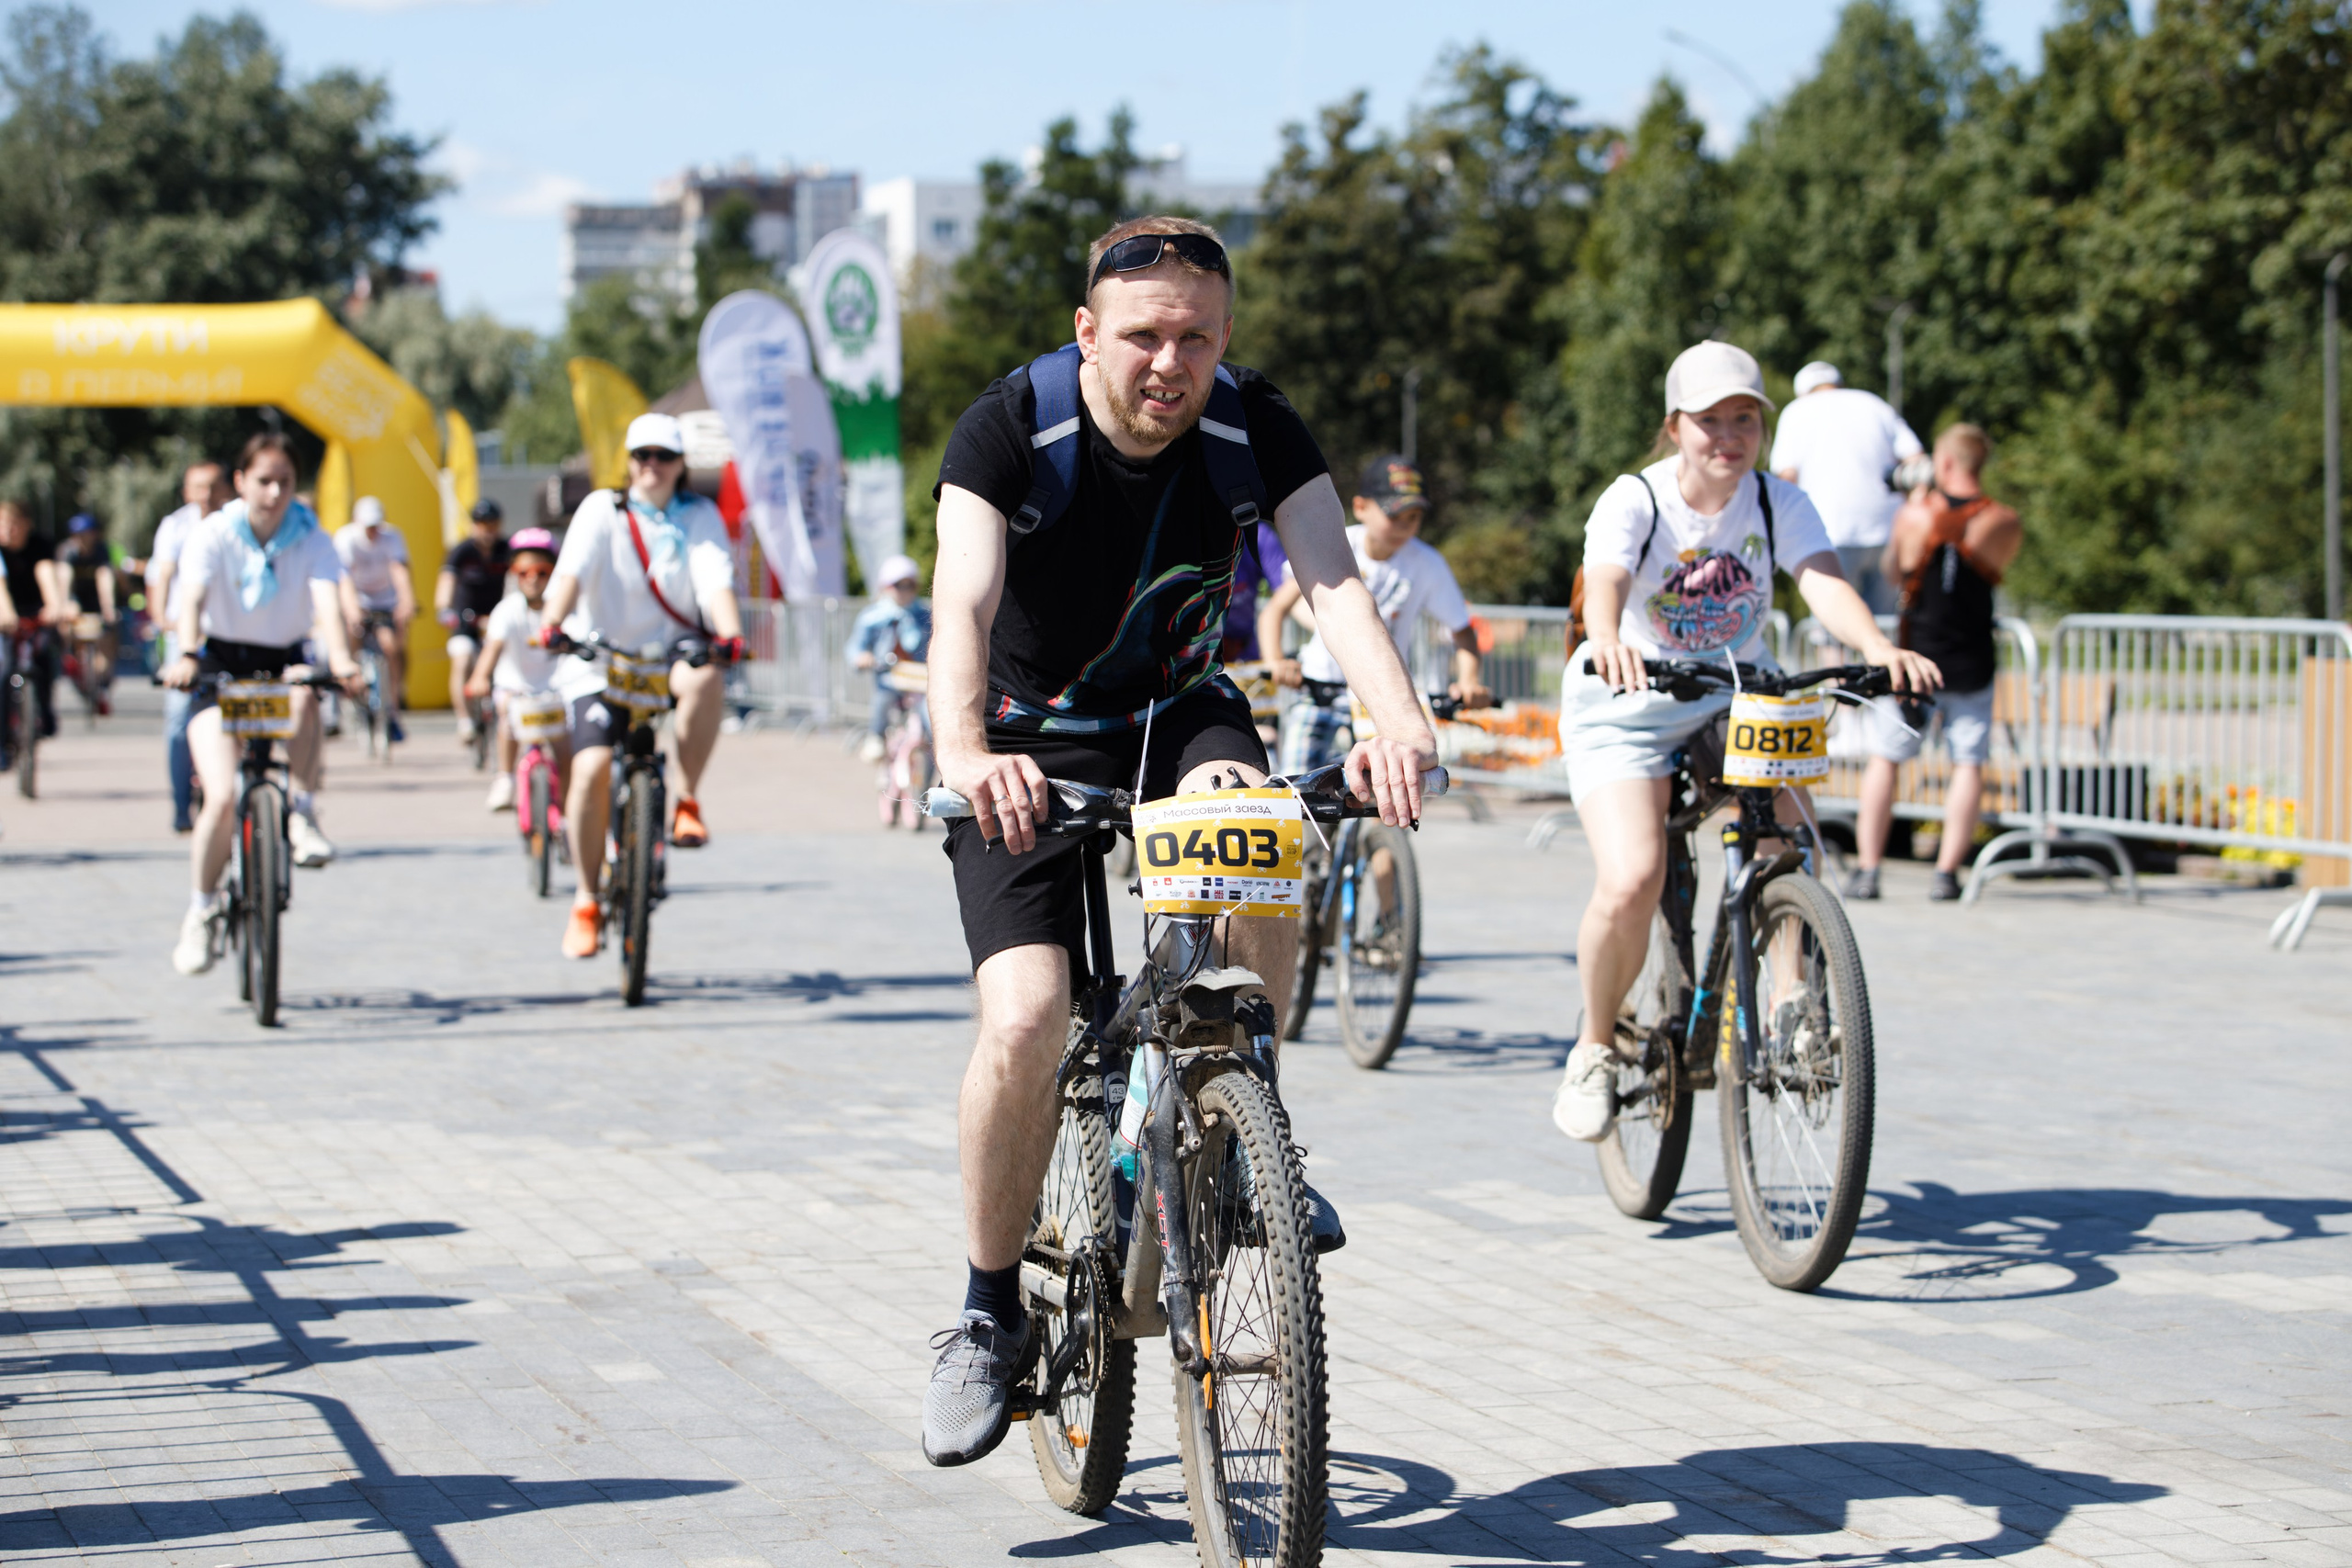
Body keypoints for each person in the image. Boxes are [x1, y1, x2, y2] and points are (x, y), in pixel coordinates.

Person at [920, 215, 1436, 1469]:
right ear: (1088, 332)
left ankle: (1244, 1114)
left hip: (1178, 714)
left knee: (1260, 826)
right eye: (1144, 334)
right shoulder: (1010, 426)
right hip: (1025, 741)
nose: (1171, 360)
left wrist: (1398, 718)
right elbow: (962, 596)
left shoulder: (1252, 421)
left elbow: (1332, 579)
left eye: (1197, 335)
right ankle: (987, 1313)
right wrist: (961, 750)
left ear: (1225, 337)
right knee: (1028, 1019)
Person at [1555, 342, 1941, 1143]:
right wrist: (1606, 639)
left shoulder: (1775, 502)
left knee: (1790, 838)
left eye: (1745, 420)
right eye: (1710, 421)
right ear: (1674, 427)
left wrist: (1876, 645)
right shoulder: (1638, 498)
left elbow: (1824, 578)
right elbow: (1607, 577)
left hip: (1736, 687)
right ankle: (1594, 1044)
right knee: (1632, 877)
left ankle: (1791, 998)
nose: (1728, 436)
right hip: (1630, 699)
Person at [536, 412, 746, 960]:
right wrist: (552, 623)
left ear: (680, 466)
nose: (651, 466)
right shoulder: (601, 510)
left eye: (664, 456)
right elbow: (570, 573)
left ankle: (687, 800)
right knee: (590, 770)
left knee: (705, 678)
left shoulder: (699, 515)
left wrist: (730, 635)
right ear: (628, 463)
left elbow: (714, 579)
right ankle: (585, 897)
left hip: (667, 652)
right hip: (598, 655)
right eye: (641, 456)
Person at [164, 434, 362, 976]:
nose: (275, 492)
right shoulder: (212, 533)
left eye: (286, 481)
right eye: (264, 480)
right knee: (222, 798)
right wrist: (184, 653)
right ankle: (201, 911)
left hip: (281, 661)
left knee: (305, 697)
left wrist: (341, 662)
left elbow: (326, 603)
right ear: (241, 481)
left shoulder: (312, 537)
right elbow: (192, 598)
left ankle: (301, 814)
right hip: (216, 666)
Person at [1849, 423, 2023, 903]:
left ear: (1943, 464)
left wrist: (1919, 506)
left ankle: (1868, 869)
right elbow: (1997, 568)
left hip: (1913, 662)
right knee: (1968, 763)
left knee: (1886, 761)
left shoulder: (1914, 516)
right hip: (1970, 660)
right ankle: (1946, 873)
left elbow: (1892, 572)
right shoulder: (2003, 520)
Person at [1259, 453, 1492, 774]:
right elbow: (1275, 610)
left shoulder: (1426, 563)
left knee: (1391, 782)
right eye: (1394, 515)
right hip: (1318, 687)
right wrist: (1276, 661)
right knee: (1296, 788)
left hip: (1379, 696)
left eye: (1414, 517)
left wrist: (1469, 681)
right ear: (1361, 508)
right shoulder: (1336, 542)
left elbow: (1462, 630)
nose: (1405, 526)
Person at [1770, 361, 1923, 615]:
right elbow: (1915, 460)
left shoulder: (1797, 411)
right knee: (1884, 628)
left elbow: (1786, 477)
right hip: (1887, 529)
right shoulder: (1874, 404)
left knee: (1834, 625)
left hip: (1828, 531)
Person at [147, 463, 232, 831]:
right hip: (184, 633)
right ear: (186, 491)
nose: (206, 495)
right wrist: (160, 617)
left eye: (213, 487)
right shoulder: (175, 526)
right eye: (199, 487)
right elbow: (164, 574)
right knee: (179, 720)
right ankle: (182, 805)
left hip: (227, 633)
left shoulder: (235, 522)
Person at [465, 528, 565, 811]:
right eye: (523, 573)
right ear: (514, 574)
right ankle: (505, 777)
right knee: (507, 717)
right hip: (517, 688)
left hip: (556, 690)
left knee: (567, 748)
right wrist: (480, 677)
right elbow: (492, 649)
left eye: (542, 571)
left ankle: (570, 806)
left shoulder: (565, 608)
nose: (533, 579)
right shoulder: (507, 610)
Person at [334, 495, 415, 744]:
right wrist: (352, 609)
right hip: (357, 598)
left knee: (391, 646)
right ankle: (353, 688)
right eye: (368, 526)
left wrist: (406, 600)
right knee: (352, 635)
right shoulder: (346, 538)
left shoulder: (392, 537)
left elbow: (398, 570)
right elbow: (344, 578)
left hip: (384, 598)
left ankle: (392, 706)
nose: (373, 531)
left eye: (376, 525)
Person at [438, 498, 512, 744]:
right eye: (482, 524)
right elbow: (447, 581)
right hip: (465, 620)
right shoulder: (463, 551)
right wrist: (444, 608)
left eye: (492, 524)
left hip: (496, 619)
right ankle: (465, 720)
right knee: (462, 660)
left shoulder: (506, 549)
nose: (487, 530)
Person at [846, 553, 932, 762]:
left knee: (932, 714)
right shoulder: (873, 617)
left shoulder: (924, 615)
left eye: (909, 585)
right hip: (889, 677)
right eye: (898, 585)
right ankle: (875, 736)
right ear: (886, 587)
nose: (904, 591)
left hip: (919, 680)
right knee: (882, 700)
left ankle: (936, 751)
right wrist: (862, 657)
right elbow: (855, 646)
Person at [0, 501, 65, 764]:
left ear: (27, 524)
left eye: (14, 524)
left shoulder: (40, 545)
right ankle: (2, 739)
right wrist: (5, 613)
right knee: (3, 670)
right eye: (3, 524)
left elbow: (46, 573)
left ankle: (46, 710)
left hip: (35, 611)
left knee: (48, 654)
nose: (8, 530)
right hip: (5, 613)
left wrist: (55, 605)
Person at [47, 514, 118, 709]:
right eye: (77, 535)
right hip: (75, 598)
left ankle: (103, 679)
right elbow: (64, 579)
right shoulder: (67, 551)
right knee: (67, 623)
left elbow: (105, 579)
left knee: (107, 633)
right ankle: (70, 658)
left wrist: (108, 607)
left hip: (95, 599)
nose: (81, 539)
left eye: (86, 534)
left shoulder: (101, 550)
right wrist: (66, 603)